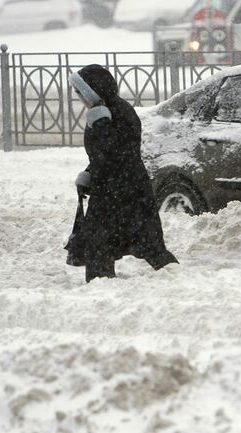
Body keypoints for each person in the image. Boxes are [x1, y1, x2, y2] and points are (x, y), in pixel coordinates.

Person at [69, 64, 178, 282]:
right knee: (103, 241)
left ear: (93, 91)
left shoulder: (116, 112)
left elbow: (118, 150)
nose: (79, 97)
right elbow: (102, 153)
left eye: (80, 92)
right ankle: (102, 281)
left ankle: (175, 278)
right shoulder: (103, 111)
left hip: (125, 188)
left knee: (144, 240)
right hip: (112, 186)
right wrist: (89, 173)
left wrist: (101, 123)